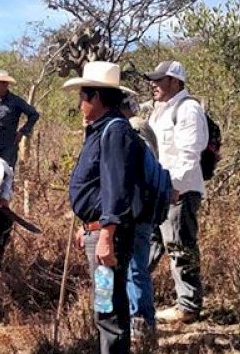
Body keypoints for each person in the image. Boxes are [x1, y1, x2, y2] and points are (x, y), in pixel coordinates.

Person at [64, 61, 143, 354]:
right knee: (105, 304)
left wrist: (106, 233)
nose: (80, 103)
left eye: (82, 96)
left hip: (108, 235)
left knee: (108, 310)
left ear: (96, 97)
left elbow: (116, 187)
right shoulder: (102, 130)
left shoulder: (115, 131)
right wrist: (89, 227)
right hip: (98, 230)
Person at [146, 60, 208, 324]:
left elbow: (189, 154)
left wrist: (175, 188)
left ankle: (188, 307)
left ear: (175, 81)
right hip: (159, 191)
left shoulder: (188, 109)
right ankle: (131, 297)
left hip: (178, 192)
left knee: (180, 248)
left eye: (159, 80)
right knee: (150, 244)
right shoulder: (159, 110)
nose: (153, 84)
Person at [119, 94, 158, 343]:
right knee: (131, 269)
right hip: (135, 210)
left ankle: (142, 325)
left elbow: (135, 172)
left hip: (135, 212)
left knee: (135, 269)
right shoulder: (134, 126)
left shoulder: (134, 127)